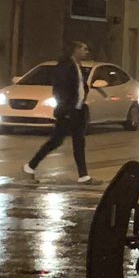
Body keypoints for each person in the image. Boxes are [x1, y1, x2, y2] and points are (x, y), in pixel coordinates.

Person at [25, 41, 96, 182]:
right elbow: (61, 89)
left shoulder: (77, 66)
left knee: (79, 143)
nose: (86, 52)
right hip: (68, 111)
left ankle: (83, 176)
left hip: (78, 110)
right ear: (75, 50)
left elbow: (80, 87)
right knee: (56, 141)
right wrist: (67, 108)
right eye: (84, 49)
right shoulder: (65, 66)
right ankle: (30, 166)